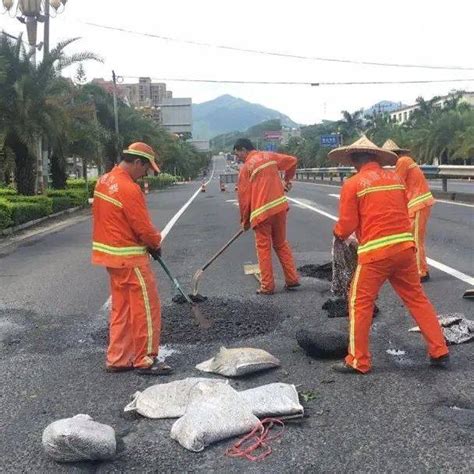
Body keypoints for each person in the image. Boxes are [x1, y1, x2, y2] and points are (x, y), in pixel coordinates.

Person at [328, 136, 448, 374]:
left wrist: (338, 233)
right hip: (404, 248)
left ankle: (358, 360)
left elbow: (347, 224)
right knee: (416, 298)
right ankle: (439, 349)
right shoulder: (394, 178)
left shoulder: (353, 183)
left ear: (354, 160)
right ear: (376, 157)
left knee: (359, 302)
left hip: (375, 254)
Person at [92, 142, 172, 375]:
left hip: (110, 256)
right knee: (146, 307)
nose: (145, 174)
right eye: (146, 169)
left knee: (122, 308)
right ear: (137, 162)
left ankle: (118, 358)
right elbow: (142, 226)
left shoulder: (104, 181)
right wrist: (155, 243)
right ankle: (145, 358)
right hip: (130, 258)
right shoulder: (128, 188)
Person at [234, 138, 300, 294]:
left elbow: (244, 198)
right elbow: (292, 161)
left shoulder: (246, 168)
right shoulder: (270, 156)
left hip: (262, 213)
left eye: (238, 154)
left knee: (263, 248)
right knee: (281, 243)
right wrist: (287, 180)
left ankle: (267, 286)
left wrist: (244, 221)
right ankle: (292, 279)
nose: (238, 158)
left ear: (244, 150)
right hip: (279, 208)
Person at [382, 139, 435, 282]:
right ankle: (415, 269)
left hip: (419, 203)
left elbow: (397, 184)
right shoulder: (404, 161)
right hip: (415, 204)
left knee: (417, 239)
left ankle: (422, 272)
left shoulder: (402, 162)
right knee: (411, 238)